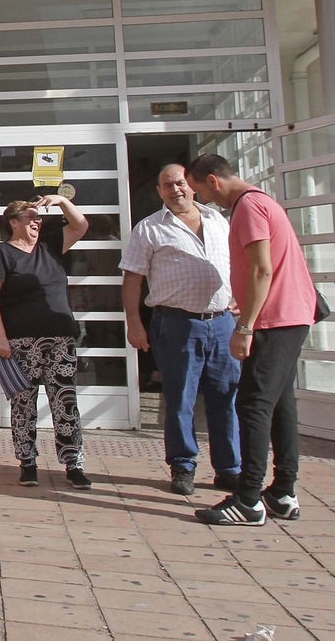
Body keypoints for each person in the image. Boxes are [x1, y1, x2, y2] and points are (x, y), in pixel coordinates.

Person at [186, 153, 318, 526]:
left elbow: (262, 269)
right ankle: (282, 492)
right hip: (290, 315)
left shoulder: (247, 207)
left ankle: (248, 499)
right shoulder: (262, 200)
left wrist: (245, 326)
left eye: (200, 191)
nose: (203, 200)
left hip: (274, 320)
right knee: (280, 404)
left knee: (253, 404)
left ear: (213, 181)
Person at [121, 164, 241, 497]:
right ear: (159, 192)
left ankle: (229, 469)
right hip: (177, 325)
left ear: (191, 186)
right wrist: (134, 323)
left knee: (226, 397)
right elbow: (132, 278)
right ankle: (183, 466)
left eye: (180, 183)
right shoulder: (149, 228)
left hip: (222, 323)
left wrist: (242, 298)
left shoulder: (218, 220)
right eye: (167, 185)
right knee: (180, 400)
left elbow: (239, 261)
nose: (175, 189)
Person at [0, 194, 93, 489]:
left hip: (60, 338)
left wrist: (61, 201)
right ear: (13, 222)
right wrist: (0, 337)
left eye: (38, 218)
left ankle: (73, 463)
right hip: (21, 341)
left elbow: (81, 226)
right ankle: (27, 462)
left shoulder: (50, 245)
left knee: (65, 402)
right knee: (23, 404)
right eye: (30, 217)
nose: (37, 221)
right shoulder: (1, 253)